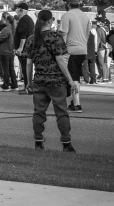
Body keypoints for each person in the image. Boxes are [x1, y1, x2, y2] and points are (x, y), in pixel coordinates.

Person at [25, 9, 77, 153]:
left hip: (39, 81)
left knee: (38, 113)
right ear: (50, 20)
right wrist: (70, 80)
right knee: (61, 112)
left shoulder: (31, 39)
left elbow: (28, 64)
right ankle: (66, 143)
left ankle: (38, 141)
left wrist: (29, 82)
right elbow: (60, 60)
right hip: (56, 81)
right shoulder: (56, 37)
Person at [59, 0, 91, 113]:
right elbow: (88, 34)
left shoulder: (67, 15)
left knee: (73, 78)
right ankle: (73, 101)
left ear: (67, 4)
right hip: (82, 50)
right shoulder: (85, 16)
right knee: (76, 75)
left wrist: (61, 51)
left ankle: (76, 104)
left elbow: (63, 34)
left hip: (70, 50)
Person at [13, 2, 35, 94]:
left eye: (17, 9)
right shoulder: (29, 19)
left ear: (20, 10)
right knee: (26, 68)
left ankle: (28, 87)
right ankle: (27, 85)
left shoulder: (23, 20)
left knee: (25, 68)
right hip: (29, 47)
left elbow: (23, 35)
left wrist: (20, 48)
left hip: (24, 48)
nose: (16, 11)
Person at [0, 12, 18, 92]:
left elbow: (0, 38)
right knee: (11, 69)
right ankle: (14, 84)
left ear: (7, 21)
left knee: (5, 69)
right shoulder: (14, 29)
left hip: (5, 51)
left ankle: (6, 85)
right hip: (11, 51)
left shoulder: (6, 29)